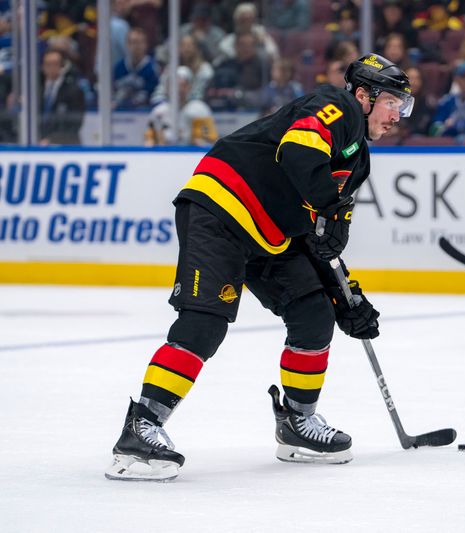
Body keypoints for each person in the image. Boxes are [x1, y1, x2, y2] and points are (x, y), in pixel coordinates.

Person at [105, 53, 415, 481]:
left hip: (272, 233)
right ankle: (142, 425)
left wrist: (345, 296)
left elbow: (319, 240)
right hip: (222, 208)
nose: (398, 114)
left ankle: (297, 423)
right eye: (393, 102)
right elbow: (298, 152)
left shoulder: (357, 159)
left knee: (315, 311)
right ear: (363, 95)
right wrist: (328, 211)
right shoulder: (335, 107)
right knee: (205, 321)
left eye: (405, 105)